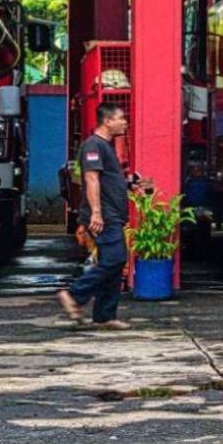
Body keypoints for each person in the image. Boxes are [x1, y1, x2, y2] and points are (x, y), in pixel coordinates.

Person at [56, 103, 149, 329]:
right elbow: (91, 179)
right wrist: (96, 213)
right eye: (121, 118)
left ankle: (105, 316)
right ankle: (74, 295)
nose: (125, 122)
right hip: (103, 215)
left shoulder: (106, 147)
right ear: (107, 121)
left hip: (112, 213)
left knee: (115, 263)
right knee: (114, 259)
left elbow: (107, 180)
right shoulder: (93, 146)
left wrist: (129, 184)